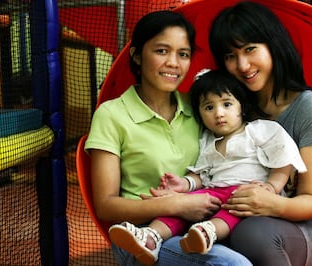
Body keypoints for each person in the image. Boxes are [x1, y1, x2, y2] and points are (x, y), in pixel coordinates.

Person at [84, 10, 252, 266]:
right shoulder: (111, 114)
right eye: (162, 51)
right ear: (137, 55)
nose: (174, 63)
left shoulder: (199, 107)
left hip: (203, 224)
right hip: (141, 235)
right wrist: (178, 205)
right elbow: (106, 206)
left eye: (182, 54)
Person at [108, 69, 307, 265]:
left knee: (232, 210)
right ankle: (150, 237)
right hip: (211, 193)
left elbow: (283, 158)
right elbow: (202, 175)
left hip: (246, 193)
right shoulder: (207, 141)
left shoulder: (258, 130)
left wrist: (272, 186)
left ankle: (206, 233)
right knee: (178, 206)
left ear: (242, 107)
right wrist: (184, 184)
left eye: (227, 104)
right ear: (200, 114)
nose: (219, 113)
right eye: (209, 108)